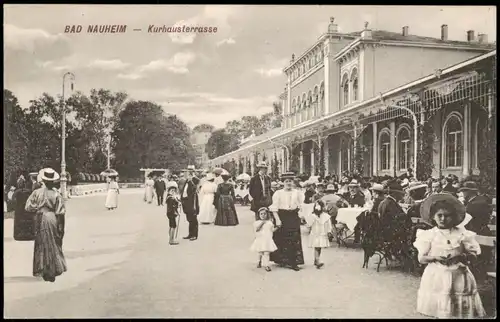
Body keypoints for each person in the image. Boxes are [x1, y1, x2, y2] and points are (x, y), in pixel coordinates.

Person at [413, 193, 485, 319]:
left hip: (459, 275)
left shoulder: (463, 234)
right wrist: (435, 257)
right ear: (433, 217)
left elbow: (474, 255)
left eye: (447, 216)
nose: (443, 219)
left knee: (458, 310)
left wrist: (462, 257)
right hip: (437, 276)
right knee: (439, 308)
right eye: (439, 215)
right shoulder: (429, 235)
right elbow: (421, 258)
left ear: (454, 217)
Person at [24, 168, 67, 282]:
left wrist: (37, 209)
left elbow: (28, 206)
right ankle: (53, 269)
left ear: (43, 180)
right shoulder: (56, 194)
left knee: (41, 243)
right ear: (53, 181)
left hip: (40, 217)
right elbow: (60, 212)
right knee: (53, 242)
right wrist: (61, 227)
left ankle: (43, 269)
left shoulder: (37, 192)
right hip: (52, 217)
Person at [269, 172, 305, 271]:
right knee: (282, 238)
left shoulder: (298, 193)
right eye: (286, 181)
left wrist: (301, 216)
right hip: (282, 216)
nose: (288, 183)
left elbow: (301, 206)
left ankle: (293, 262)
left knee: (294, 238)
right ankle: (283, 260)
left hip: (293, 216)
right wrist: (277, 219)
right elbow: (274, 208)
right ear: (283, 182)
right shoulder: (278, 193)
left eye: (290, 181)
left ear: (293, 182)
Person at [305, 200, 333, 269]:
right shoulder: (313, 216)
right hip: (316, 233)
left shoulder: (325, 216)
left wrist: (329, 231)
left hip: (321, 233)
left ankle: (316, 259)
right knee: (317, 247)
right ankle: (317, 261)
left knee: (319, 247)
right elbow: (309, 224)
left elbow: (328, 224)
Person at [250, 207, 278, 272]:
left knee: (267, 253)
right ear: (259, 215)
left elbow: (272, 230)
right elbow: (257, 229)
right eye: (261, 214)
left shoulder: (270, 223)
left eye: (264, 214)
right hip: (260, 239)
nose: (263, 215)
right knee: (260, 253)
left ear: (267, 214)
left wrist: (277, 228)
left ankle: (266, 265)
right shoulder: (257, 222)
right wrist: (262, 223)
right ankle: (259, 261)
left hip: (267, 240)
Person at [179, 165, 200, 241]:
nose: (189, 172)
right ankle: (190, 233)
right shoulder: (186, 180)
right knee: (189, 218)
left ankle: (194, 234)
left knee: (193, 218)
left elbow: (195, 188)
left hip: (192, 202)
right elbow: (183, 190)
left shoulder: (194, 179)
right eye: (188, 170)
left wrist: (192, 179)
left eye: (191, 170)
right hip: (186, 201)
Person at [165, 181, 180, 245]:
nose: (173, 191)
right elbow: (173, 206)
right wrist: (177, 204)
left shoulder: (170, 197)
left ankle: (170, 238)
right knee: (173, 226)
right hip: (172, 213)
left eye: (174, 190)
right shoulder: (170, 198)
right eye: (172, 190)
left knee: (171, 225)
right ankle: (171, 240)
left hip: (169, 213)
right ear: (169, 190)